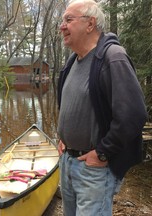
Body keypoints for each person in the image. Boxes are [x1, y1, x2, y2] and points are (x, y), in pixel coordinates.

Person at [57, 0, 147, 215]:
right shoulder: (73, 61)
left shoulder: (113, 57)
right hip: (68, 161)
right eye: (62, 21)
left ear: (90, 24)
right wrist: (63, 138)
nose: (62, 26)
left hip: (93, 168)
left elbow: (133, 115)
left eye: (68, 20)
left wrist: (103, 153)